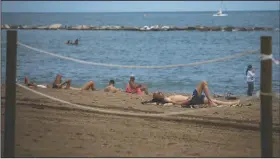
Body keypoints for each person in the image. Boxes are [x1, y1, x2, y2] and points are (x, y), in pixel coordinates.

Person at [143, 81, 240, 107]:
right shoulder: (167, 100)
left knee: (214, 99)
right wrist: (187, 101)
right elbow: (176, 103)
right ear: (159, 98)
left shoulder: (167, 97)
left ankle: (230, 103)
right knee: (203, 83)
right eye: (158, 93)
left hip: (192, 98)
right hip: (192, 100)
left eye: (158, 91)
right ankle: (212, 102)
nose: (159, 91)